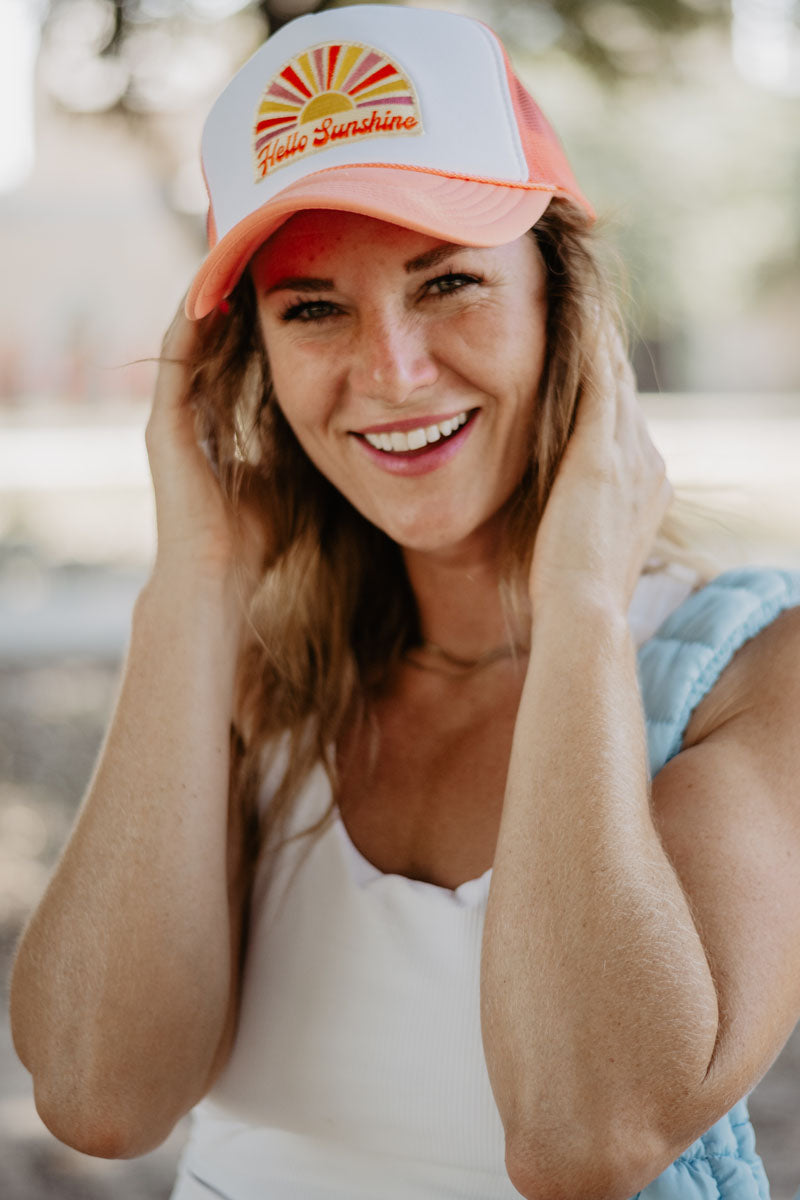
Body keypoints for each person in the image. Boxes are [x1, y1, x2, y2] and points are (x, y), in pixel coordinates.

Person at [9, 5, 800, 1199]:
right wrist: (196, 581)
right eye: (312, 308)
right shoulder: (262, 686)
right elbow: (97, 1098)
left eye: (447, 284)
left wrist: (581, 597)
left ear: (561, 303)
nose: (392, 370)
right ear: (253, 366)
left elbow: (586, 1134)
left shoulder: (750, 673)